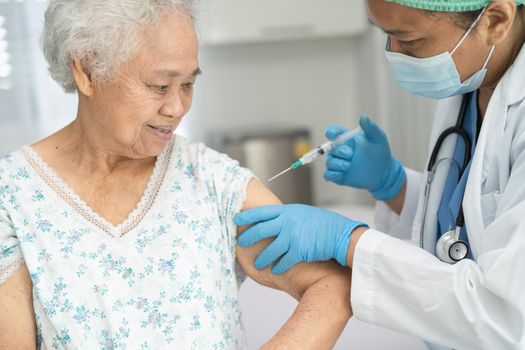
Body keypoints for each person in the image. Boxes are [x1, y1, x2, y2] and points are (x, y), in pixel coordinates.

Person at [0, 1, 352, 348]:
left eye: (187, 85)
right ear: (87, 71)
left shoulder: (211, 180)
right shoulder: (12, 196)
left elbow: (332, 284)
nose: (177, 108)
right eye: (159, 86)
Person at [235, 0, 525, 349]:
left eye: (410, 40)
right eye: (386, 35)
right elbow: (467, 223)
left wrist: (349, 241)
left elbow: (507, 317)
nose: (394, 53)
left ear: (496, 20)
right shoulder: (472, 81)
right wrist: (393, 184)